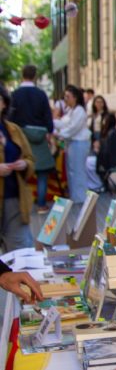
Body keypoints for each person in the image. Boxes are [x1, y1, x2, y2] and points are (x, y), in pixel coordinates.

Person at [8, 65, 55, 214]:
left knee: (22, 171)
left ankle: (23, 206)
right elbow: (48, 115)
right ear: (35, 76)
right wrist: (50, 130)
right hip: (40, 136)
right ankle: (41, 205)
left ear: (22, 75)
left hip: (21, 136)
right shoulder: (41, 94)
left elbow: (10, 117)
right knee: (42, 174)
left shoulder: (15, 94)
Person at [0, 85, 35, 251]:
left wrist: (24, 164)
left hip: (14, 198)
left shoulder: (13, 130)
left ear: (4, 104)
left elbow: (30, 158)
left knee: (20, 250)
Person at [53, 85, 91, 204]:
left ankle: (81, 198)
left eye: (68, 96)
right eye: (65, 96)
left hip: (79, 143)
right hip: (73, 144)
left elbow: (73, 128)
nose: (65, 99)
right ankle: (76, 196)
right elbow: (64, 124)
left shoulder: (79, 110)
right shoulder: (72, 111)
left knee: (78, 170)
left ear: (75, 98)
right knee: (72, 170)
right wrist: (52, 124)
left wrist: (58, 134)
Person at [85, 95, 109, 192]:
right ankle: (92, 184)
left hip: (102, 139)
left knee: (96, 162)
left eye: (101, 102)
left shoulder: (106, 116)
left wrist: (99, 142)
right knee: (89, 162)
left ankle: (99, 184)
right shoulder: (92, 116)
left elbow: (105, 130)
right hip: (93, 138)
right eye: (97, 102)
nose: (99, 104)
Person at [96, 113, 116, 194]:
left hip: (112, 166)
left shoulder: (111, 134)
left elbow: (106, 152)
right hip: (114, 164)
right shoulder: (113, 133)